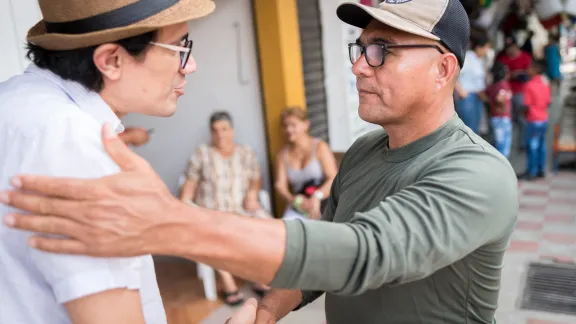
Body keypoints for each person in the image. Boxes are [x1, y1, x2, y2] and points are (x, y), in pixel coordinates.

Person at [1, 1, 519, 323]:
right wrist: (268, 309)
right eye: (357, 48)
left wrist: (171, 223)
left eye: (382, 49)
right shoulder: (364, 151)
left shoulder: (480, 175)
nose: (359, 66)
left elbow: (365, 253)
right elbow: (322, 254)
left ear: (442, 69)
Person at [0, 0, 215, 323]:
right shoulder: (78, 149)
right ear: (112, 60)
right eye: (178, 47)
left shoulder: (12, 100)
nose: (191, 65)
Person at [180, 111, 271, 305]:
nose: (220, 134)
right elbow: (189, 184)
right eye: (215, 130)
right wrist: (186, 204)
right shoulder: (202, 153)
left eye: (224, 129)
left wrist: (253, 193)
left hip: (241, 209)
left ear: (232, 130)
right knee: (212, 235)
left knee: (266, 228)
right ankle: (228, 282)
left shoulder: (245, 152)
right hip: (213, 212)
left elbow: (255, 178)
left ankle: (259, 277)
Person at [274, 107, 338, 221]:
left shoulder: (320, 147)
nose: (288, 129)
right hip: (298, 204)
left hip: (323, 201)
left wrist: (317, 197)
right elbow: (280, 185)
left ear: (306, 125)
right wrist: (292, 199)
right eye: (285, 126)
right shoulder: (282, 155)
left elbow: (333, 177)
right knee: (287, 228)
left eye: (293, 125)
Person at [497, 35, 532, 148]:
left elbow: (531, 73)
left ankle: (523, 143)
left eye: (511, 47)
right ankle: (507, 144)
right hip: (506, 93)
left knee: (522, 119)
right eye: (507, 48)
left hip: (521, 92)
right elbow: (498, 76)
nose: (509, 50)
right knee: (508, 120)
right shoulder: (503, 59)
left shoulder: (525, 57)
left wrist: (521, 73)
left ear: (516, 46)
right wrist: (512, 75)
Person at [520, 60, 552, 180]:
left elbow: (526, 105)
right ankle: (540, 170)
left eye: (529, 68)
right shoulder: (545, 84)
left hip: (533, 119)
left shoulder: (529, 85)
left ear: (534, 70)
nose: (527, 70)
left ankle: (531, 172)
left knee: (532, 146)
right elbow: (549, 102)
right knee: (541, 145)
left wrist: (523, 114)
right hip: (544, 118)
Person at [455, 33, 491, 133]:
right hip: (468, 96)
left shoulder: (480, 60)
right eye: (486, 48)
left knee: (475, 128)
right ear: (479, 47)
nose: (487, 51)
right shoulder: (468, 58)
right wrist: (461, 91)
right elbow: (454, 73)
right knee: (468, 128)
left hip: (477, 97)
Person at [485, 62, 514, 158]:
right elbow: (499, 98)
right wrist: (502, 106)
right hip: (502, 119)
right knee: (503, 148)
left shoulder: (493, 85)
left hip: (494, 117)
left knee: (496, 145)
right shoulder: (503, 84)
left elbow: (482, 94)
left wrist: (490, 103)